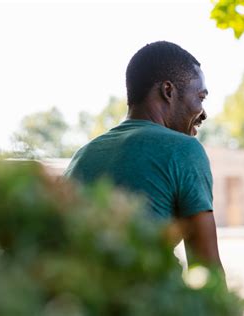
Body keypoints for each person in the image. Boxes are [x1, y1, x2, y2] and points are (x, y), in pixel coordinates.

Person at [64, 41, 224, 272]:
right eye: (200, 97)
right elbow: (208, 273)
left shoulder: (82, 156)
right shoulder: (184, 150)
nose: (203, 112)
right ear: (168, 91)